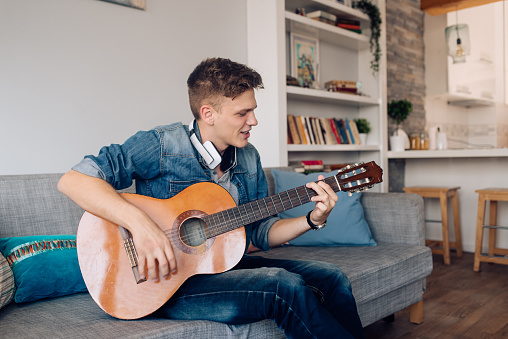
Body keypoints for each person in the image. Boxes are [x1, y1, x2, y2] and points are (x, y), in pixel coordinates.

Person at [58, 57, 365, 339]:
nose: (254, 121)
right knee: (282, 286)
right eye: (243, 113)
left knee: (332, 277)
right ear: (208, 113)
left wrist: (313, 220)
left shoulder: (248, 157)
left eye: (253, 110)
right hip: (162, 285)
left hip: (222, 271)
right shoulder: (161, 144)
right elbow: (74, 181)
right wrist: (142, 226)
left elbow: (258, 231)